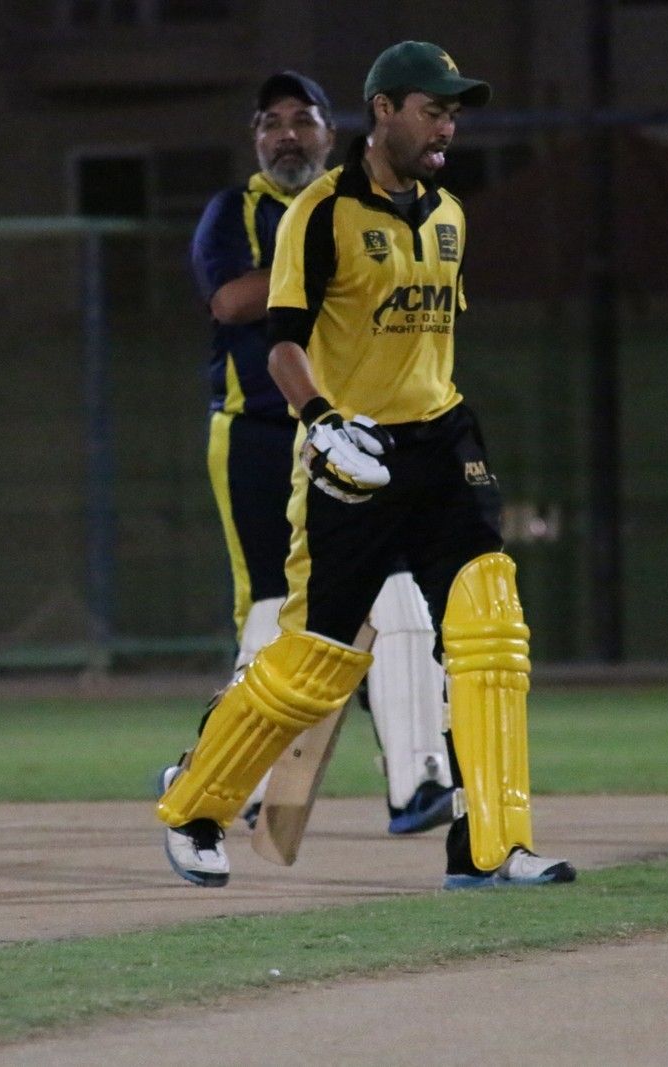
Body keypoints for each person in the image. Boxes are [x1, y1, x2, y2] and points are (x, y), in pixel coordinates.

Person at [156, 42, 575, 891]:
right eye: (433, 110)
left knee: (490, 630)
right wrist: (324, 423)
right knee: (315, 663)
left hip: (442, 443)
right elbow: (280, 346)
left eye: (453, 114)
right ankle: (194, 807)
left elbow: (425, 341)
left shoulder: (450, 213)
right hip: (354, 457)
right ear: (384, 110)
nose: (446, 127)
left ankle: (491, 845)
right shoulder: (319, 214)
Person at [177, 69, 456, 841]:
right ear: (255, 139)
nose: (287, 135)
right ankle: (220, 775)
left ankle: (418, 779)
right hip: (259, 433)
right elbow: (230, 300)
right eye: (271, 123)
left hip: (359, 432)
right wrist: (326, 258)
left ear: (331, 133)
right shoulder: (236, 211)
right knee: (275, 607)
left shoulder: (372, 207)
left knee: (399, 602)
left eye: (302, 120)